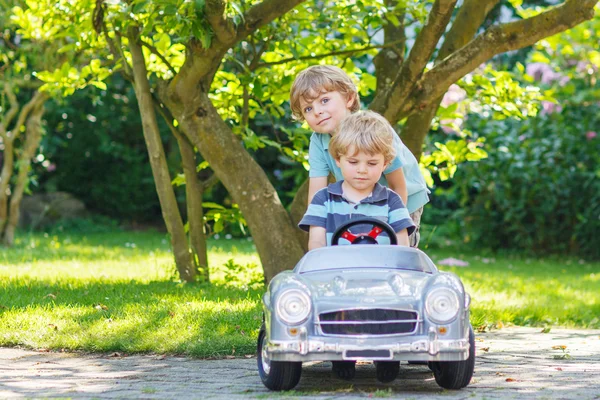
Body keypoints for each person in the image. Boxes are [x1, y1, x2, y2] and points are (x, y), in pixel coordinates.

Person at [290, 65, 429, 247]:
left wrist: (389, 224)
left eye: (324, 101)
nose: (316, 111)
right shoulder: (318, 141)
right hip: (362, 195)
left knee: (393, 246)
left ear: (349, 98)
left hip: (404, 197)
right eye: (308, 109)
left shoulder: (374, 130)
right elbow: (316, 194)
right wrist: (317, 231)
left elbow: (397, 185)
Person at [298, 110, 415, 250]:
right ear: (338, 159)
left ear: (385, 164)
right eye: (353, 162)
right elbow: (316, 245)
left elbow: (402, 249)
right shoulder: (323, 200)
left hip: (381, 270)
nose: (362, 170)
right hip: (336, 270)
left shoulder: (392, 202)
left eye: (371, 163)